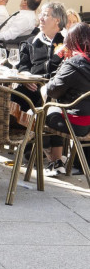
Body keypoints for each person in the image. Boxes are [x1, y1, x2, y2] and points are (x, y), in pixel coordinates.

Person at [15, 1, 68, 174]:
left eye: (46, 15)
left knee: (52, 105)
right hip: (31, 89)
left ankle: (53, 157)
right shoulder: (31, 42)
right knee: (11, 97)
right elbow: (22, 66)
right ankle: (20, 140)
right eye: (41, 14)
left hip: (55, 90)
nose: (41, 18)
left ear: (57, 21)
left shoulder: (67, 42)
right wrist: (25, 78)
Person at [45, 23, 90, 174]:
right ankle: (57, 161)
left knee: (37, 114)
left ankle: (53, 161)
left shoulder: (74, 64)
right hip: (88, 122)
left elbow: (52, 90)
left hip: (76, 124)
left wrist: (64, 62)